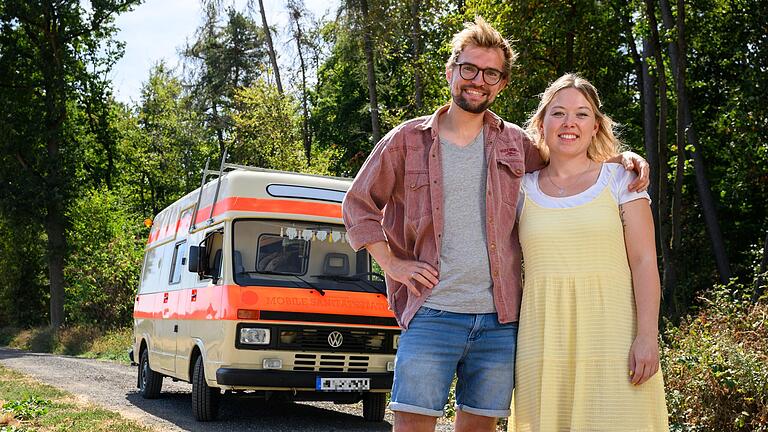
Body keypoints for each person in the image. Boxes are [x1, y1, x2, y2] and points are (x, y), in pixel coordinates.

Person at [343, 18, 649, 432]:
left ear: (501, 83)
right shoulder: (407, 140)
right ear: (450, 71)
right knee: (412, 424)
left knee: (479, 427)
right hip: (432, 311)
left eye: (491, 73)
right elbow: (358, 204)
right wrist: (392, 264)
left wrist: (622, 159)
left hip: (500, 320)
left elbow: (568, 164)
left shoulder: (515, 144)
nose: (478, 81)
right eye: (469, 69)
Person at [510, 73, 669, 431]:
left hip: (613, 335)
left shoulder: (621, 180)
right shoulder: (520, 189)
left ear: (596, 125)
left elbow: (644, 262)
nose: (569, 123)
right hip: (543, 340)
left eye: (582, 114)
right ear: (541, 123)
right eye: (558, 113)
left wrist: (647, 337)